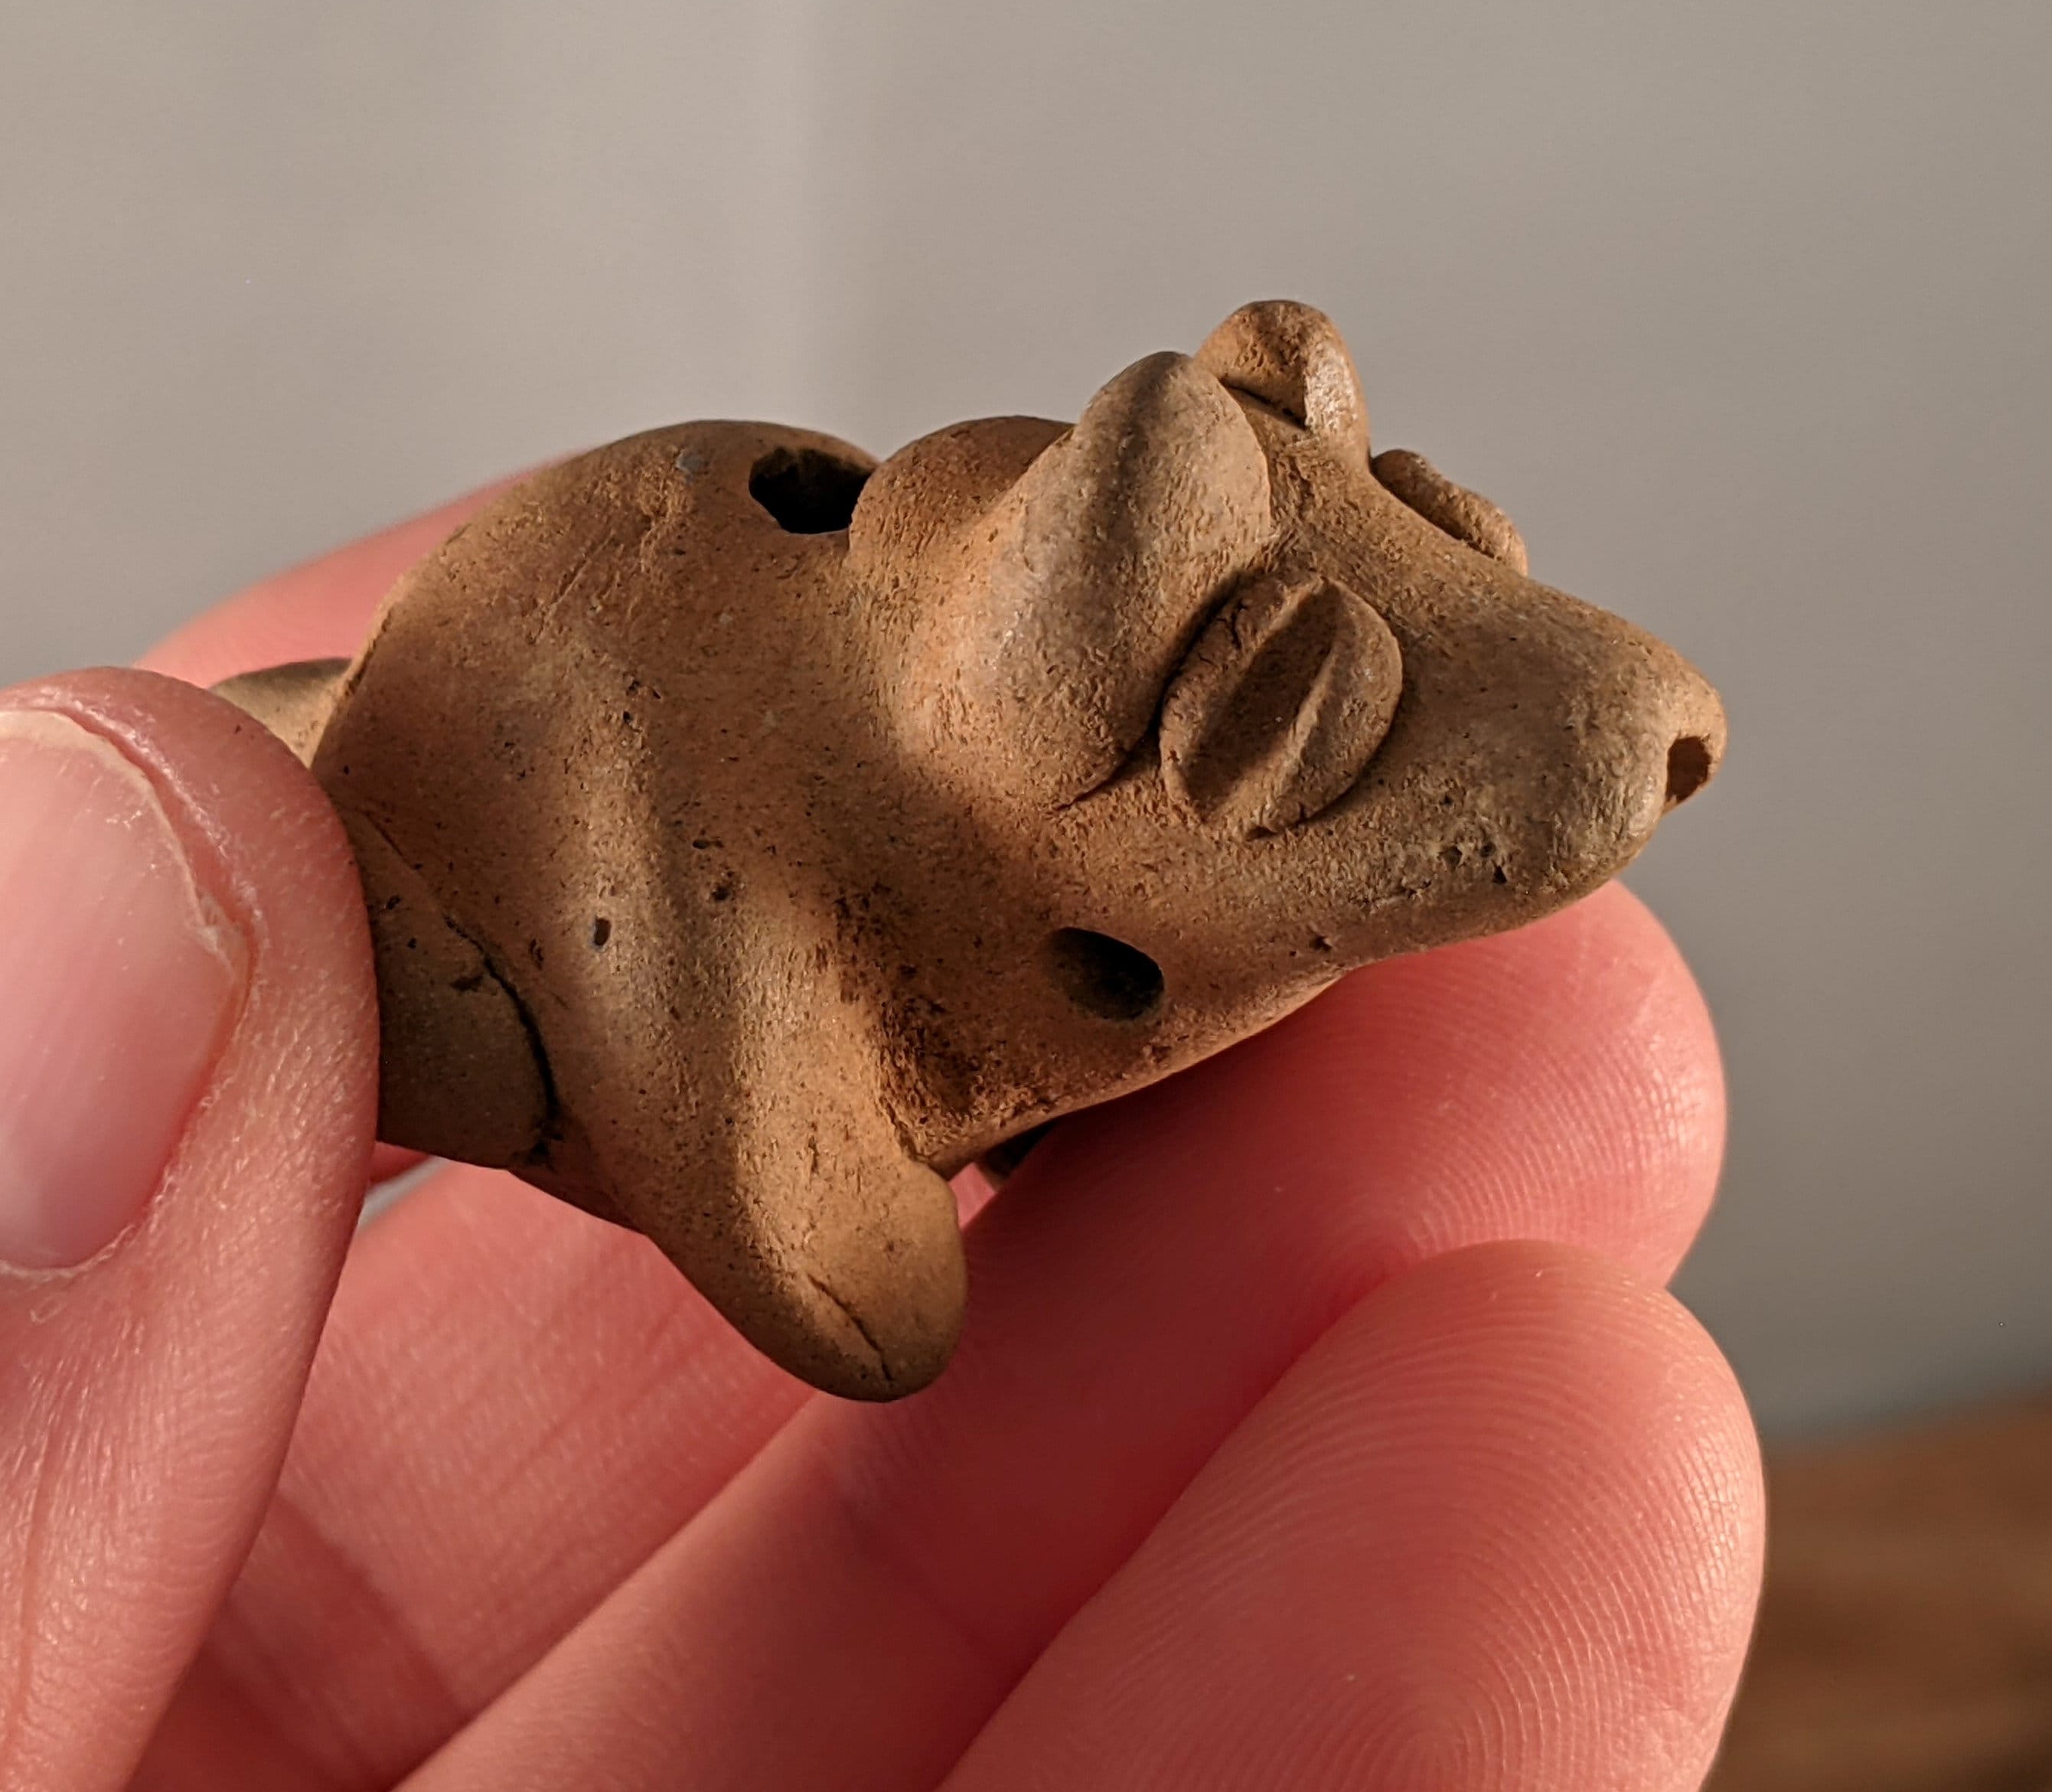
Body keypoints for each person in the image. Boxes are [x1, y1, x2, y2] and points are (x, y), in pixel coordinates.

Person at [0, 483, 1763, 1791]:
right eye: (1304, 712)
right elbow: (847, 1266)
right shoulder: (728, 887)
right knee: (414, 977)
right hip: (498, 847)